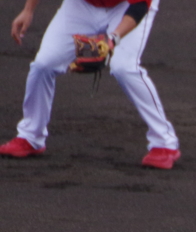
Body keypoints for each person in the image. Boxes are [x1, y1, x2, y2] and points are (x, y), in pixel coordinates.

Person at [1, 0, 180, 169]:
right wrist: (28, 10)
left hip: (126, 7)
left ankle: (164, 143)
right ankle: (31, 136)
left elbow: (139, 5)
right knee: (43, 64)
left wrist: (113, 39)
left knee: (124, 68)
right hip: (82, 5)